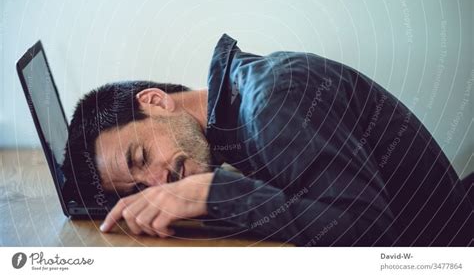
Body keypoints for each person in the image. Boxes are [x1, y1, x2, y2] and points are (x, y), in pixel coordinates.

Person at [62, 34, 473, 246]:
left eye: (140, 157)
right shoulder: (235, 106)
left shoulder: (274, 104)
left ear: (155, 102)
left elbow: (372, 241)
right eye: (138, 187)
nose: (157, 182)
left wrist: (216, 194)